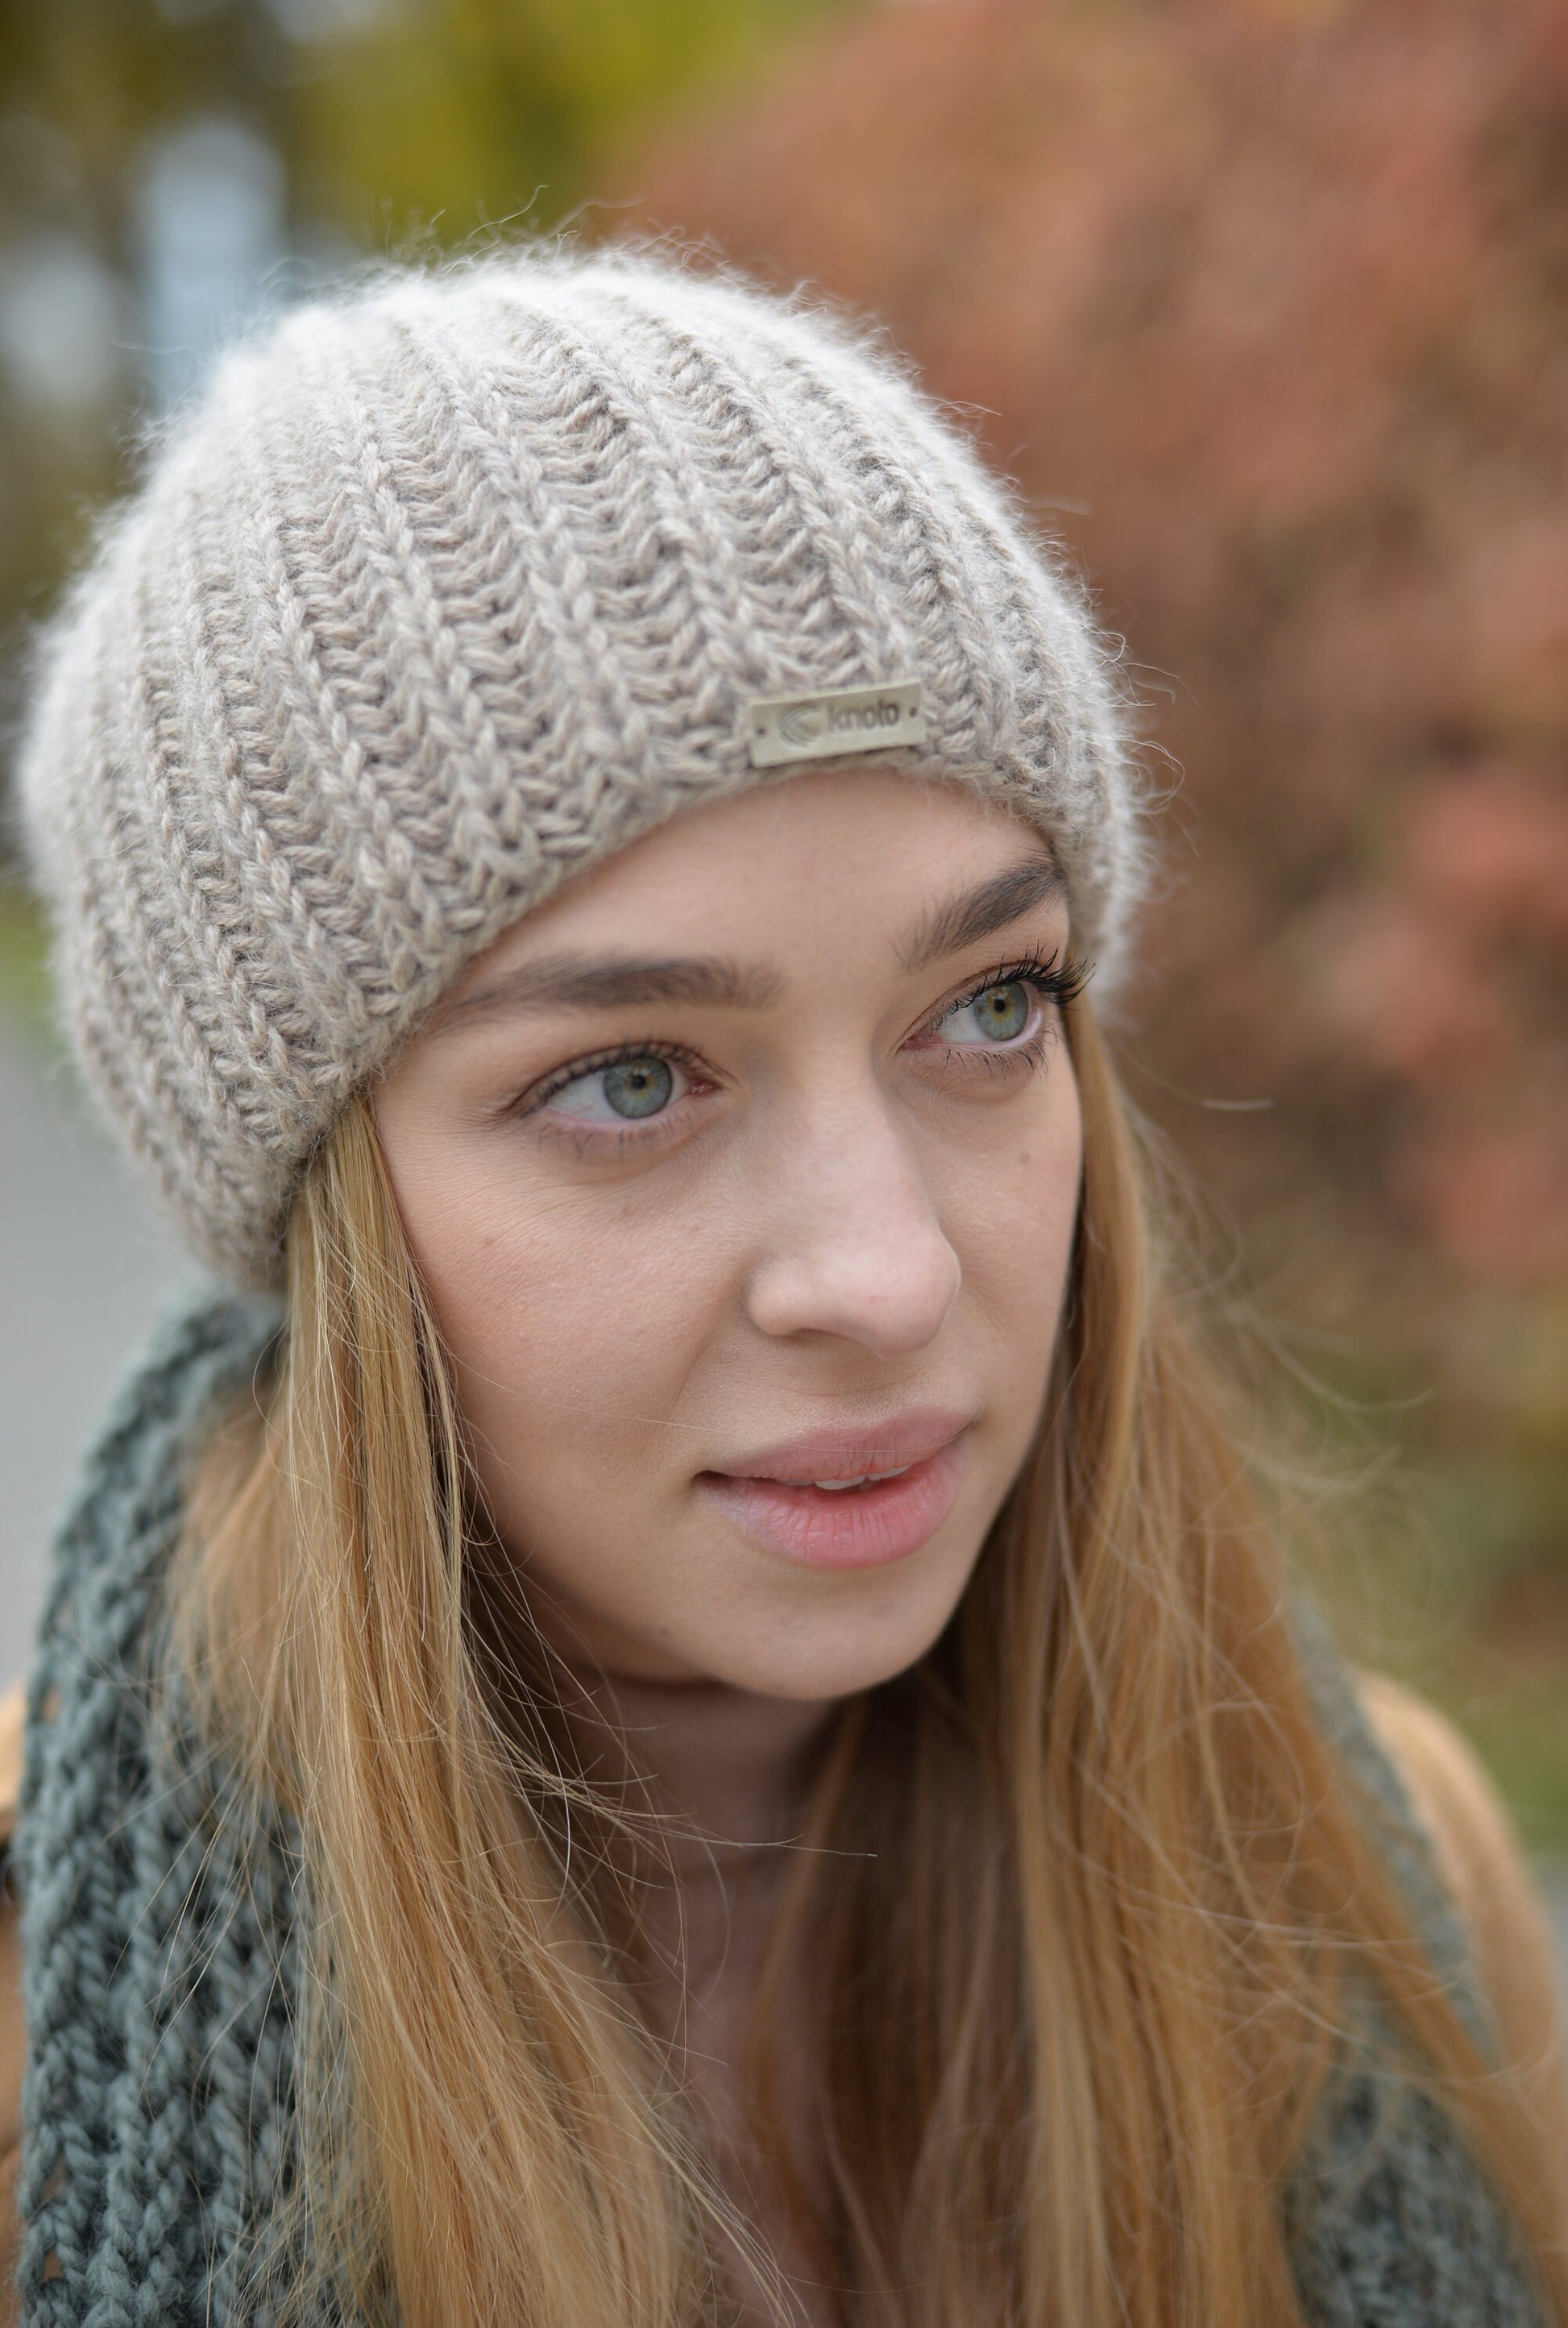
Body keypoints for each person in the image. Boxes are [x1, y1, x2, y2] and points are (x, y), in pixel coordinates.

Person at [0, 248, 1562, 2328]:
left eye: (987, 1008)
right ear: (323, 1206)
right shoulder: (36, 2046)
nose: (888, 1274)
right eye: (630, 1081)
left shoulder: (1382, 1882)